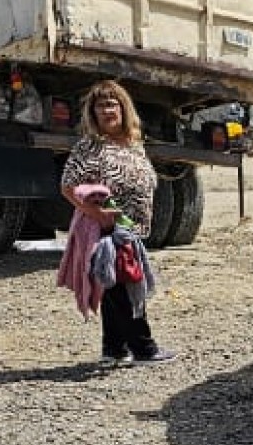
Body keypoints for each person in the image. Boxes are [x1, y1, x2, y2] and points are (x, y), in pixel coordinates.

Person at [59, 80, 176, 365]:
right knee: (126, 285)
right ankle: (144, 348)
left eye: (112, 103)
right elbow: (67, 186)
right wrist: (96, 214)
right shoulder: (91, 146)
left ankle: (113, 349)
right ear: (93, 113)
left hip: (130, 229)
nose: (107, 110)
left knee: (114, 285)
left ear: (124, 108)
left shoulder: (133, 144)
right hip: (106, 229)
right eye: (100, 105)